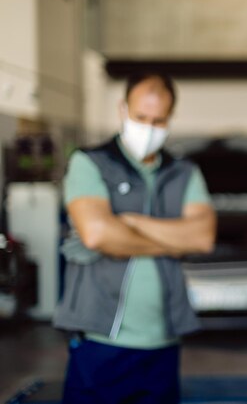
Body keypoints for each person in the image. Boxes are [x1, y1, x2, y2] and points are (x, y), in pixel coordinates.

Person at [54, 72, 217, 404]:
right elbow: (97, 234)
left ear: (170, 118)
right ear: (122, 109)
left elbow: (201, 237)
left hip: (163, 344)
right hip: (100, 342)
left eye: (158, 120)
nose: (148, 127)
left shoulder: (184, 173)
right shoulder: (89, 163)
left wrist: (129, 222)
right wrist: (173, 240)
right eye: (141, 117)